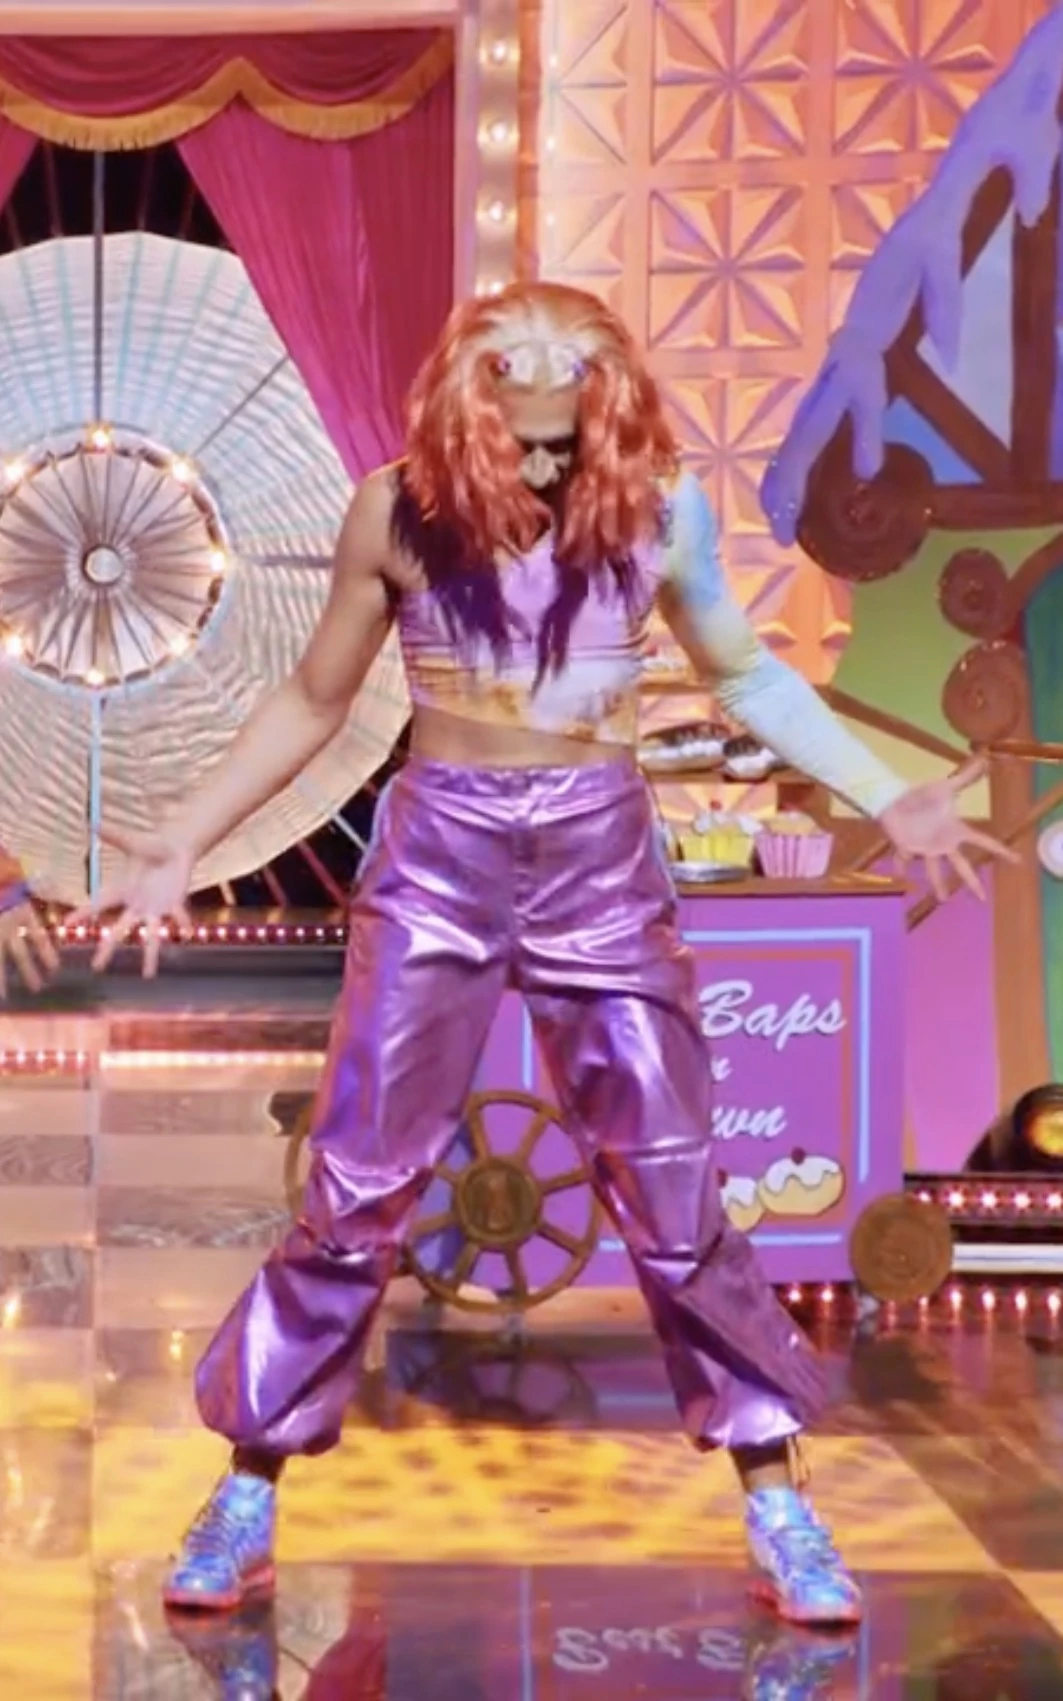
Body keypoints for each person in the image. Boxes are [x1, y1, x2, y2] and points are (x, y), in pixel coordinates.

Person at [72, 282, 1011, 1627]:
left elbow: (745, 674)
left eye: (565, 404)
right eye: (513, 397)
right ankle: (249, 1488)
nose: (538, 427)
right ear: (470, 391)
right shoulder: (397, 510)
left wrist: (887, 792)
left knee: (672, 1185)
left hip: (596, 857)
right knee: (356, 1181)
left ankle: (774, 1494)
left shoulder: (658, 508)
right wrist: (180, 838)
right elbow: (316, 695)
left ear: (605, 395)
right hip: (439, 853)